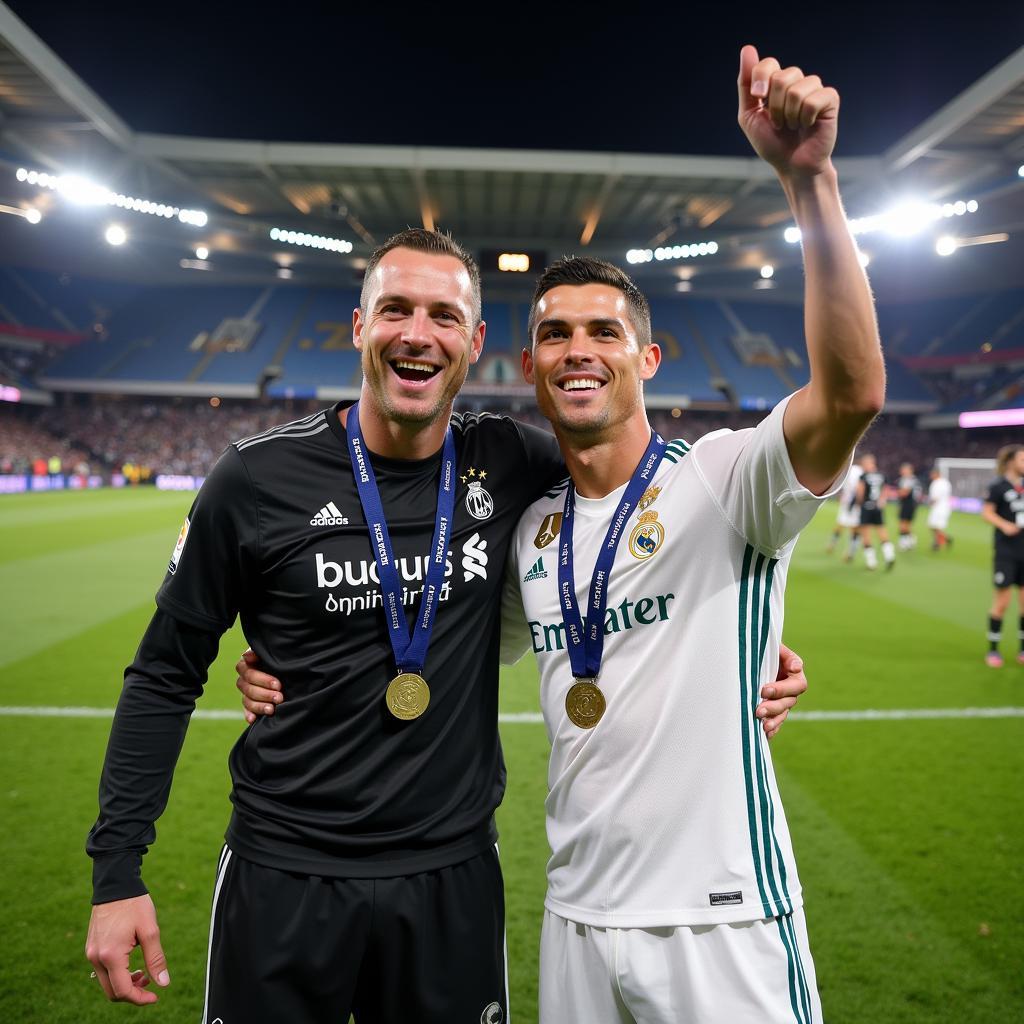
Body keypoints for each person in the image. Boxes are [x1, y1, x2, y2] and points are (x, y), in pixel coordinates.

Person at [244, 44, 884, 1023]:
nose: (576, 350)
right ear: (530, 362)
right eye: (553, 333)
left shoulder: (721, 479)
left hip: (721, 920)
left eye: (601, 331)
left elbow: (850, 394)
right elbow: (440, 643)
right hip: (575, 918)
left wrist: (810, 184)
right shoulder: (531, 530)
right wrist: (284, 659)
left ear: (648, 357)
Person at [85, 227, 808, 1022]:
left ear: (475, 341)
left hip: (451, 879)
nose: (417, 334)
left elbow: (647, 525)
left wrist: (754, 644)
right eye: (394, 310)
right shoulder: (254, 478)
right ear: (361, 327)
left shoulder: (514, 464)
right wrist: (117, 873)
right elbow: (163, 672)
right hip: (284, 869)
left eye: (442, 315)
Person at [980, 444, 1024, 668]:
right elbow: (986, 512)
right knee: (1003, 603)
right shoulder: (998, 485)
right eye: (1022, 459)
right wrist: (1005, 525)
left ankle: (1022, 650)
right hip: (1006, 552)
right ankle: (993, 651)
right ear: (1011, 462)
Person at [856, 453, 895, 571]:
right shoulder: (882, 475)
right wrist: (882, 500)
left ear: (868, 463)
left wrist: (858, 504)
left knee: (866, 535)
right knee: (882, 531)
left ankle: (871, 562)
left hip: (866, 507)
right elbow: (887, 490)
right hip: (878, 508)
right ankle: (889, 556)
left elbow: (860, 492)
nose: (863, 467)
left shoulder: (864, 476)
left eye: (864, 464)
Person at [826, 455, 862, 561]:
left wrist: (841, 495)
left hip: (846, 502)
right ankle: (850, 551)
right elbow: (857, 488)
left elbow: (842, 485)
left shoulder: (849, 470)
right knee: (854, 527)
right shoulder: (859, 471)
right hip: (855, 503)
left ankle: (832, 544)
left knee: (841, 524)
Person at [896, 461, 922, 551]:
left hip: (907, 504)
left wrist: (898, 492)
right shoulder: (914, 479)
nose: (902, 471)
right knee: (908, 524)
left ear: (909, 470)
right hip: (912, 504)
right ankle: (910, 540)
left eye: (904, 469)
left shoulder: (907, 480)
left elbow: (904, 493)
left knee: (903, 524)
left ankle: (904, 543)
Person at [927, 466, 953, 552]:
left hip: (940, 508)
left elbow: (935, 498)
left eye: (932, 474)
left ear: (936, 474)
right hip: (942, 507)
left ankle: (939, 543)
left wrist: (930, 503)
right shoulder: (945, 482)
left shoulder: (937, 483)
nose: (931, 476)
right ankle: (945, 539)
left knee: (936, 526)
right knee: (933, 526)